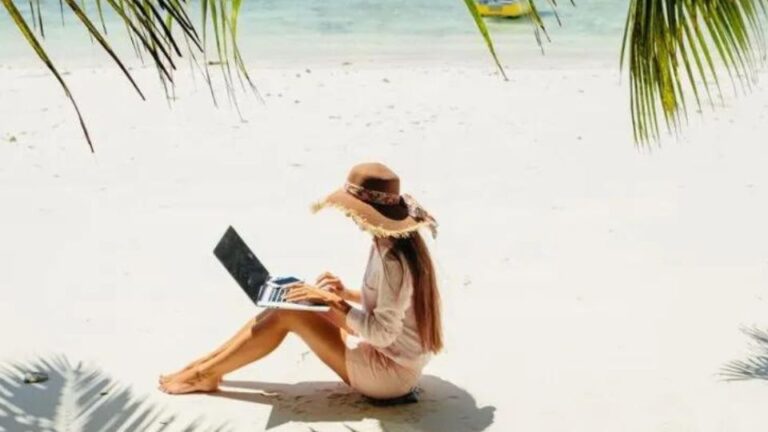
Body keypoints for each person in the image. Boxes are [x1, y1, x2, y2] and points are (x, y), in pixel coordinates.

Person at [159, 162, 443, 399]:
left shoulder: (393, 260)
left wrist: (336, 305)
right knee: (285, 301)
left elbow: (383, 333)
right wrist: (346, 294)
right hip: (388, 355)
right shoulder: (389, 244)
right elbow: (391, 304)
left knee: (289, 313)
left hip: (389, 374)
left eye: (353, 208)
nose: (350, 215)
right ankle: (206, 365)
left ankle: (205, 373)